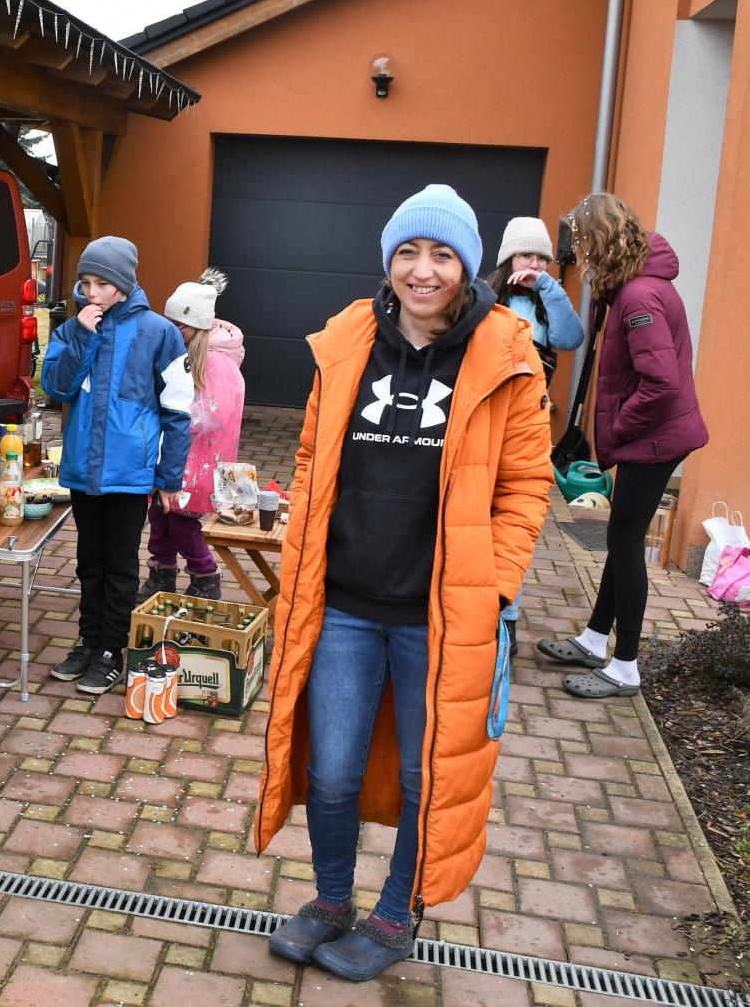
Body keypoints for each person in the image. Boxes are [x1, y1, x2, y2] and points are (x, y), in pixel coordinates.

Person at [258, 185, 553, 981]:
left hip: (442, 614)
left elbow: (528, 485)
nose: (423, 271)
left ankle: (394, 916)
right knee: (331, 771)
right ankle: (329, 901)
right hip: (344, 606)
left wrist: (493, 585)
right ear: (388, 261)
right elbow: (310, 457)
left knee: (431, 775)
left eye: (441, 255)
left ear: (467, 266)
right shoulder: (347, 342)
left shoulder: (506, 354)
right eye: (407, 253)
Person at [537, 194, 707, 697]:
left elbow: (661, 383)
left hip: (654, 438)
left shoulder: (639, 296)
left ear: (600, 239)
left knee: (626, 545)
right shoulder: (631, 287)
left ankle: (625, 667)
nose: (578, 251)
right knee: (622, 537)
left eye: (581, 241)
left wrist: (618, 427)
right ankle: (594, 639)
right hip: (654, 434)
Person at [42, 236, 193, 695]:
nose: (91, 292)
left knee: (121, 564)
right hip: (82, 469)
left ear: (123, 284)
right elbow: (57, 388)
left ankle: (112, 650)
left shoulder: (158, 332)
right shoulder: (72, 329)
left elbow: (178, 411)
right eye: (85, 282)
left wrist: (169, 477)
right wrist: (81, 337)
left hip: (130, 473)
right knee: (89, 561)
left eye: (101, 284)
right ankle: (88, 642)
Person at [487, 217, 585, 655]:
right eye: (527, 256)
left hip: (528, 425)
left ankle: (507, 616)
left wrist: (547, 287)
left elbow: (571, 337)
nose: (536, 264)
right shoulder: (489, 299)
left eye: (543, 258)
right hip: (488, 420)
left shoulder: (549, 300)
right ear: (509, 258)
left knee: (515, 518)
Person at [136, 268, 245, 601]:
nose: (172, 330)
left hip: (199, 460)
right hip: (175, 455)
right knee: (159, 516)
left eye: (179, 326)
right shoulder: (180, 350)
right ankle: (162, 572)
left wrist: (166, 414)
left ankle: (205, 575)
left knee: (183, 523)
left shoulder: (216, 362)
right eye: (168, 322)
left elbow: (214, 413)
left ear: (197, 326)